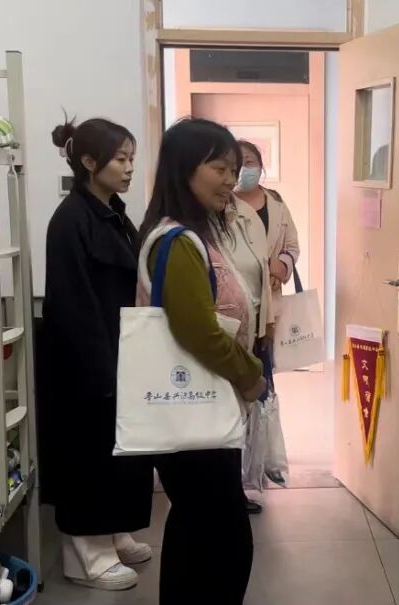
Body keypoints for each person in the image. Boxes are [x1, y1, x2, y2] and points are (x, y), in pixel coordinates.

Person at [136, 117, 267, 604]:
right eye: (220, 168)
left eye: (234, 169)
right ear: (185, 168)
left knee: (196, 526)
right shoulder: (178, 242)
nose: (231, 180)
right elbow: (197, 330)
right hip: (193, 407)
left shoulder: (190, 234)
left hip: (195, 410)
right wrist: (250, 374)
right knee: (225, 538)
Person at [42, 117, 153, 591]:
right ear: (89, 161)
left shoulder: (114, 214)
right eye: (120, 159)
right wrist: (100, 369)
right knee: (87, 457)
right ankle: (85, 556)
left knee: (118, 454)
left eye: (132, 158)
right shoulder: (71, 220)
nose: (129, 168)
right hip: (86, 361)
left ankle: (114, 532)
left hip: (119, 352)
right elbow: (73, 305)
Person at [232, 140, 300, 513]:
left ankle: (255, 471)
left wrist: (282, 265)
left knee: (262, 392)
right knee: (238, 395)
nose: (246, 169)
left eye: (251, 161)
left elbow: (292, 245)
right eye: (238, 162)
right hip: (237, 310)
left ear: (261, 165)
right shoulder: (225, 204)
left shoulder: (275, 202)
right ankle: (234, 482)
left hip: (268, 314)